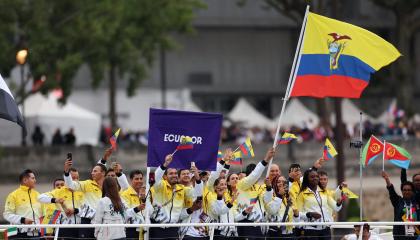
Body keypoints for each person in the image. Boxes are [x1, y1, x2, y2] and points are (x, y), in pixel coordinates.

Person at [149, 154, 201, 240]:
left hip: (173, 230)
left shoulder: (182, 189)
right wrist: (165, 164)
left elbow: (198, 194)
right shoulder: (160, 186)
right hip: (157, 228)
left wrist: (197, 177)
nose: (174, 175)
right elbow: (156, 178)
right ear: (165, 177)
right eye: (171, 173)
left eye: (175, 173)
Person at [235, 148, 275, 240]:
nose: (258, 177)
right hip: (246, 223)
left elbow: (267, 200)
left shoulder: (258, 187)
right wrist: (266, 160)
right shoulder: (241, 185)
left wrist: (269, 188)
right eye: (256, 174)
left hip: (258, 225)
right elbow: (254, 176)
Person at [295, 168, 342, 240]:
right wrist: (309, 214)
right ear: (307, 179)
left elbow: (336, 208)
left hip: (325, 229)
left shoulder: (324, 192)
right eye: (312, 177)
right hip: (310, 230)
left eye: (317, 176)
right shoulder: (302, 193)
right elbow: (297, 214)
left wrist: (338, 203)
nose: (315, 178)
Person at [38, 168, 84, 240]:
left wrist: (76, 210)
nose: (75, 181)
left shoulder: (82, 191)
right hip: (64, 228)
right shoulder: (58, 192)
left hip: (82, 227)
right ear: (67, 179)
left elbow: (88, 209)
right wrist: (55, 200)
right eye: (73, 178)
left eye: (77, 178)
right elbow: (40, 197)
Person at [3, 169, 44, 239]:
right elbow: (7, 214)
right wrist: (23, 220)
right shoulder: (13, 195)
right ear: (25, 180)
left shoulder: (38, 195)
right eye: (33, 178)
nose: (35, 180)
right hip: (19, 232)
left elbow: (43, 214)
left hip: (36, 232)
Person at [382, 171, 420, 240]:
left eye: (409, 190)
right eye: (404, 190)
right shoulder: (397, 201)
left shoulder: (417, 200)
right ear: (402, 191)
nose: (407, 192)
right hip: (399, 236)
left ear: (412, 191)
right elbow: (391, 191)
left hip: (416, 236)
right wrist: (387, 179)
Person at [264, 175, 298, 240]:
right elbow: (272, 210)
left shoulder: (289, 198)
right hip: (276, 234)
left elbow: (294, 219)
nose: (282, 183)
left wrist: (297, 215)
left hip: (290, 234)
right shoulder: (269, 196)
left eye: (284, 182)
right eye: (279, 182)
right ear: (274, 184)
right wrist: (279, 195)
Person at [120, 170, 146, 240]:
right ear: (131, 180)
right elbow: (124, 214)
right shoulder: (125, 194)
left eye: (141, 178)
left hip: (144, 230)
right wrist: (137, 209)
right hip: (131, 230)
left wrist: (144, 199)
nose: (139, 181)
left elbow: (149, 212)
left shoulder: (146, 193)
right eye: (136, 179)